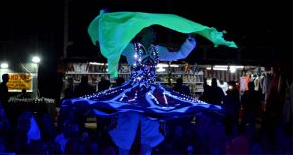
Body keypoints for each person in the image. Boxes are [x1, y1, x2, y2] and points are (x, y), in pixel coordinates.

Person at [62, 10, 238, 155]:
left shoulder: (158, 50)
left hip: (152, 93)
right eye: (152, 30)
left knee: (151, 126)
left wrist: (190, 39)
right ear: (143, 32)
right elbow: (114, 44)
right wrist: (110, 27)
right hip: (132, 92)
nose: (154, 33)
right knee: (127, 124)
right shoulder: (131, 48)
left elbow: (179, 54)